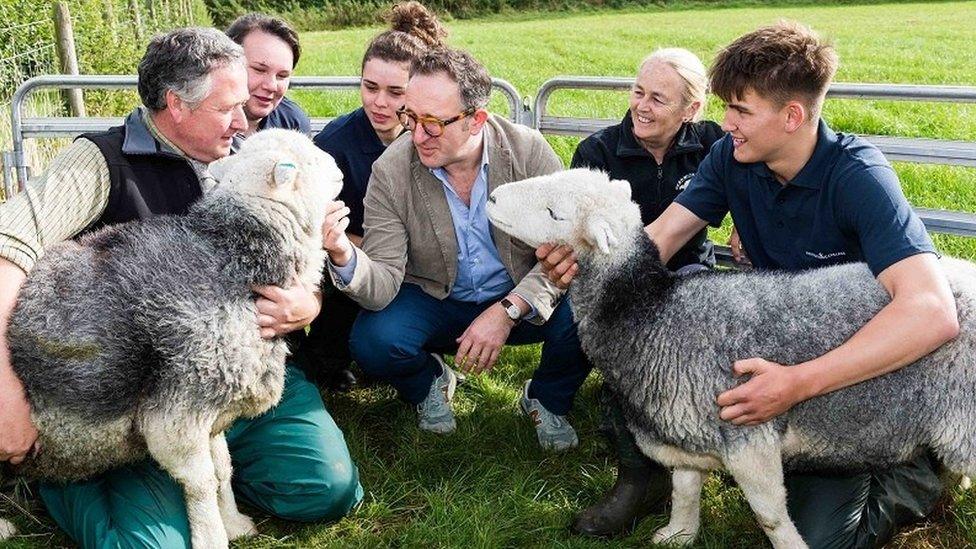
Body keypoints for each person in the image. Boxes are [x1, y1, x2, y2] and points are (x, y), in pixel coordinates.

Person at [540, 21, 956, 548]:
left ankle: (914, 467)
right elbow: (660, 239)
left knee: (819, 537)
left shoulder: (858, 177)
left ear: (792, 115)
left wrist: (797, 384)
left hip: (854, 377)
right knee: (647, 360)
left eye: (740, 110)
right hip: (770, 349)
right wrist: (594, 263)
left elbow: (932, 310)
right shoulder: (731, 158)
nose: (725, 123)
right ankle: (649, 477)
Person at [0, 27, 361, 548]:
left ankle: (206, 469)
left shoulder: (261, 141)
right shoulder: (103, 161)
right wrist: (8, 400)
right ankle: (75, 478)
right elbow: (7, 247)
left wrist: (310, 302)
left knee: (322, 488)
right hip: (131, 394)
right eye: (227, 109)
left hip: (238, 374)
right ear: (175, 104)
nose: (243, 122)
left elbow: (304, 246)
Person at [321, 47, 592, 451]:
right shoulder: (391, 170)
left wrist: (510, 309)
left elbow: (564, 253)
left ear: (476, 120)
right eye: (410, 118)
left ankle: (546, 398)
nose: (416, 135)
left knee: (589, 310)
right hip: (434, 298)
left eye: (432, 123)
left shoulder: (528, 151)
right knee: (373, 341)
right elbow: (381, 284)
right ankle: (429, 381)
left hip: (517, 294)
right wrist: (344, 255)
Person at [568, 48, 723, 538]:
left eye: (659, 98)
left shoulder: (712, 145)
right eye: (638, 91)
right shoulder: (598, 154)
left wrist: (747, 225)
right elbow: (582, 242)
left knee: (693, 330)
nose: (642, 105)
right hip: (615, 281)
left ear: (690, 111)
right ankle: (638, 472)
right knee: (626, 335)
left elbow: (753, 182)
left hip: (689, 274)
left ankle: (690, 447)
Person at [302, 1, 447, 391]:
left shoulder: (436, 138)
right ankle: (330, 361)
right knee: (343, 281)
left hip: (423, 260)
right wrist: (372, 251)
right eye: (370, 87)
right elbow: (317, 218)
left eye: (395, 92)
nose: (379, 103)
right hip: (359, 253)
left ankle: (421, 350)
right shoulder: (335, 143)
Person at [226, 12, 310, 144]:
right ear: (225, 63)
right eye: (259, 70)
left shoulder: (292, 125)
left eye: (282, 76)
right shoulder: (196, 122)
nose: (271, 86)